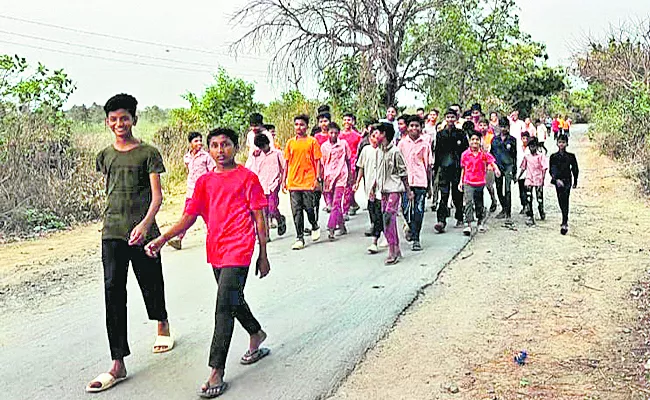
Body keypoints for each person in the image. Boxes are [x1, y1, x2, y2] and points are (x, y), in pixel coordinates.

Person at [145, 128, 270, 399]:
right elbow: (189, 217)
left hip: (240, 248)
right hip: (216, 250)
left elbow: (259, 217)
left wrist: (263, 253)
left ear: (236, 148)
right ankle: (256, 333)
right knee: (233, 299)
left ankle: (216, 370)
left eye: (225, 145)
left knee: (224, 306)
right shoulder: (204, 182)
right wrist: (164, 238)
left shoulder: (248, 178)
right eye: (214, 145)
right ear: (209, 150)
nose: (219, 150)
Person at [87, 93, 172, 393]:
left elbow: (157, 196)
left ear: (134, 119)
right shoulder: (104, 156)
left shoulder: (148, 153)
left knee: (150, 281)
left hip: (143, 230)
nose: (119, 123)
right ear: (108, 122)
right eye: (114, 119)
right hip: (112, 231)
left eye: (125, 118)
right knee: (112, 290)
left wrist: (145, 224)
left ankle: (162, 320)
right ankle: (118, 361)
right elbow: (111, 191)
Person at [167, 131, 216, 250]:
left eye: (200, 140)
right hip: (191, 191)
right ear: (190, 143)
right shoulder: (187, 157)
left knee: (209, 216)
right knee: (187, 215)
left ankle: (216, 237)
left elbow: (212, 171)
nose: (199, 143)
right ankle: (178, 238)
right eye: (196, 141)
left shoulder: (206, 156)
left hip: (204, 191)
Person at [284, 114, 322, 250]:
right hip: (293, 182)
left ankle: (314, 224)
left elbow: (317, 161)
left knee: (309, 207)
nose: (299, 127)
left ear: (307, 126)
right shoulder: (290, 143)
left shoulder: (312, 142)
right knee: (296, 211)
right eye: (296, 124)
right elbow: (287, 163)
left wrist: (317, 179)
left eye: (301, 125)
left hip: (308, 181)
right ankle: (299, 237)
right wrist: (284, 180)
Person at [376, 123, 410, 264]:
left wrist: (408, 190)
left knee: (389, 217)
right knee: (387, 220)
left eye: (378, 133)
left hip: (394, 189)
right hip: (383, 190)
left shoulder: (395, 151)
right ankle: (396, 247)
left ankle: (392, 250)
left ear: (385, 134)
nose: (376, 136)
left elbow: (403, 172)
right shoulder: (378, 151)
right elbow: (377, 171)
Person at [398, 116, 433, 251]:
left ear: (421, 127)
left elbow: (428, 166)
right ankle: (410, 228)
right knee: (406, 209)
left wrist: (429, 186)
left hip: (420, 181)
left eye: (417, 126)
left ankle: (416, 238)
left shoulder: (425, 144)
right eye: (411, 125)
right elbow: (397, 164)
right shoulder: (402, 144)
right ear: (407, 127)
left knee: (418, 211)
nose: (414, 128)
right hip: (405, 182)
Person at [459, 130, 501, 235]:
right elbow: (463, 169)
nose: (475, 142)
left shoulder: (483, 154)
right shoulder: (465, 154)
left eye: (477, 139)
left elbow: (491, 161)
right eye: (472, 139)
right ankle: (468, 224)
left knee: (479, 203)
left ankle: (479, 222)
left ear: (480, 141)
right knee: (468, 202)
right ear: (469, 141)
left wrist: (496, 169)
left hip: (480, 182)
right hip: (468, 181)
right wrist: (461, 182)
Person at [246, 133, 287, 240]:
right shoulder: (257, 156)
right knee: (264, 212)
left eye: (264, 146)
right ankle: (266, 235)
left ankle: (279, 218)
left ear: (268, 143)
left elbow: (284, 167)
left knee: (272, 207)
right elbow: (252, 169)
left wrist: (283, 181)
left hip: (274, 184)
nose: (263, 149)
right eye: (261, 147)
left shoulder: (277, 153)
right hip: (261, 185)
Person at [434, 109, 469, 233]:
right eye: (448, 117)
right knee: (443, 195)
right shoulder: (440, 134)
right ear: (445, 118)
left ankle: (459, 216)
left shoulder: (460, 133)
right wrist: (435, 169)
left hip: (457, 167)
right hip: (444, 167)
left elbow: (465, 152)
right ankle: (441, 220)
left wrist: (465, 167)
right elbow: (437, 152)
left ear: (456, 119)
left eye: (452, 117)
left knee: (457, 194)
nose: (450, 120)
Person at [321, 122, 352, 239]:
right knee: (334, 204)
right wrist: (321, 178)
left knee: (336, 202)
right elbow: (322, 164)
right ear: (327, 133)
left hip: (341, 176)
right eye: (331, 132)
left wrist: (350, 176)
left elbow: (348, 160)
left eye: (335, 133)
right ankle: (342, 226)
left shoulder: (343, 144)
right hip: (329, 177)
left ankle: (331, 228)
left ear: (339, 134)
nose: (333, 135)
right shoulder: (324, 147)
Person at [354, 128, 383, 253]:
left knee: (379, 211)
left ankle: (375, 240)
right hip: (368, 186)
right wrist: (357, 182)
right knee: (372, 209)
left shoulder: (384, 151)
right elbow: (361, 167)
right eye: (374, 135)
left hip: (381, 187)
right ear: (370, 137)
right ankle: (382, 232)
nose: (376, 137)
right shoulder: (366, 150)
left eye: (379, 135)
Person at [490, 117, 518, 225]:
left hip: (508, 166)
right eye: (501, 126)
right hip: (498, 167)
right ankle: (503, 208)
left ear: (508, 127)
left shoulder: (512, 140)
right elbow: (491, 155)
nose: (503, 129)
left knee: (507, 189)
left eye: (505, 127)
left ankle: (508, 214)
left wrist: (514, 171)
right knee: (498, 188)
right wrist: (493, 166)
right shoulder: (494, 140)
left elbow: (515, 156)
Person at [550, 134, 579, 235]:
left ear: (567, 144)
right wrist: (556, 179)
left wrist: (575, 182)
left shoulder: (571, 156)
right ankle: (564, 216)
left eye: (563, 142)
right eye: (560, 142)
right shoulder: (553, 157)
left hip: (567, 180)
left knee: (565, 199)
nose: (561, 144)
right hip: (558, 181)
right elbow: (552, 170)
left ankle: (564, 222)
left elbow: (575, 169)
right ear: (557, 143)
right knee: (560, 200)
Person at [518, 137, 548, 226]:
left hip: (538, 179)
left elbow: (544, 168)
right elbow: (523, 167)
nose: (532, 148)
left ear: (537, 146)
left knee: (539, 198)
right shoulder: (527, 157)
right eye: (530, 146)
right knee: (528, 197)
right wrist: (518, 177)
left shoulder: (541, 156)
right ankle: (530, 215)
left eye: (533, 146)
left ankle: (541, 210)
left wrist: (543, 179)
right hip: (529, 179)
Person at [340, 113, 363, 217]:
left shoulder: (357, 136)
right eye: (345, 120)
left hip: (353, 164)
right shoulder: (339, 135)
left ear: (353, 122)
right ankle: (353, 204)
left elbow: (360, 151)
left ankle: (345, 210)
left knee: (348, 187)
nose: (346, 122)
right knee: (344, 187)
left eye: (349, 120)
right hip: (340, 163)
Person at [477, 118, 498, 212]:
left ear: (488, 126)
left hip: (489, 164)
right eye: (480, 125)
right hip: (478, 164)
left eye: (484, 125)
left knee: (489, 185)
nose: (482, 127)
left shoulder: (491, 137)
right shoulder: (476, 137)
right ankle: (480, 205)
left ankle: (493, 200)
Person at [517, 131, 531, 214]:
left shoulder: (531, 148)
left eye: (526, 138)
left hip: (529, 173)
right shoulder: (518, 148)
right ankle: (523, 205)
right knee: (521, 190)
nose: (525, 140)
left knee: (528, 191)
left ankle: (529, 206)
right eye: (523, 138)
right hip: (520, 172)